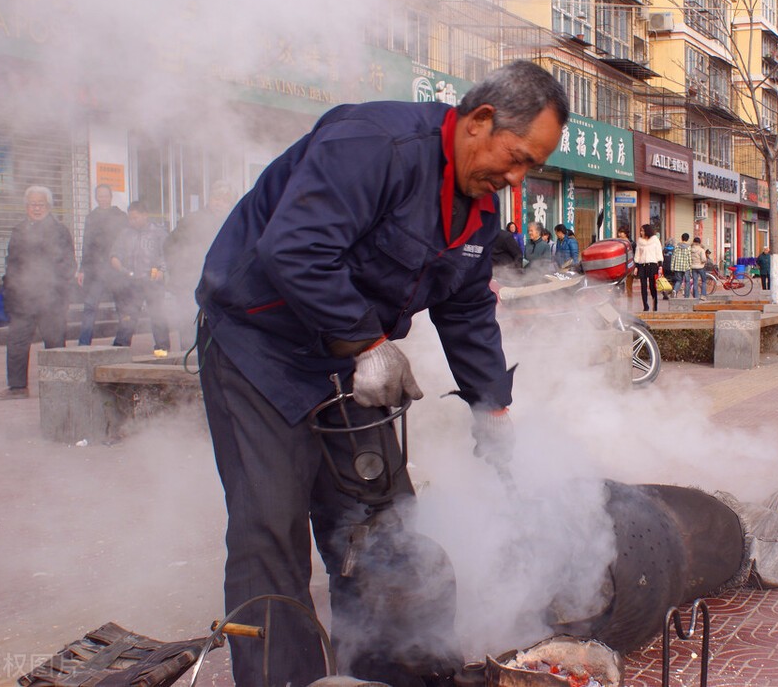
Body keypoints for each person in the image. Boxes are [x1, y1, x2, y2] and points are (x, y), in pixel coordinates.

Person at [194, 60, 568, 687]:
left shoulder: (477, 211)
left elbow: (469, 309)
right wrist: (368, 342)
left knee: (383, 527)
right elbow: (294, 249)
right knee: (271, 529)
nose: (517, 176)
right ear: (479, 121)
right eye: (518, 157)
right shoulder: (374, 144)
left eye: (530, 166)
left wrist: (493, 408)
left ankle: (388, 673)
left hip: (350, 361)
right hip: (260, 349)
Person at [0, 186, 75, 399]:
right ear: (26, 207)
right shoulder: (18, 230)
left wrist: (58, 291)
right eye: (33, 204)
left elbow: (68, 265)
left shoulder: (59, 231)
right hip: (23, 297)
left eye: (41, 204)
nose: (37, 208)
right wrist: (9, 290)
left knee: (55, 343)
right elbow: (11, 264)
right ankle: (17, 387)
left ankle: (59, 386)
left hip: (51, 298)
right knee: (16, 342)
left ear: (49, 207)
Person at [164, 181, 236, 351]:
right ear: (209, 199)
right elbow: (169, 245)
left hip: (220, 285)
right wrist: (177, 268)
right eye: (216, 199)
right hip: (189, 281)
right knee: (188, 324)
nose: (220, 204)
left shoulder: (233, 222)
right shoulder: (192, 220)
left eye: (225, 201)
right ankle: (188, 357)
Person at [110, 201, 171, 355]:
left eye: (135, 218)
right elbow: (115, 255)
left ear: (145, 215)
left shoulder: (158, 232)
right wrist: (123, 270)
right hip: (132, 282)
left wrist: (161, 271)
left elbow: (167, 255)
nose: (132, 221)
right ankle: (119, 351)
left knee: (157, 316)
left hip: (152, 282)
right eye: (130, 218)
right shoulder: (125, 233)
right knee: (128, 317)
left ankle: (162, 351)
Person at [75, 184, 127, 345]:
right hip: (97, 270)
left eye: (105, 195)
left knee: (122, 308)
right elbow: (87, 244)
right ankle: (83, 343)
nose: (103, 199)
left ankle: (122, 341)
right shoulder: (91, 217)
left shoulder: (120, 216)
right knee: (90, 305)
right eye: (100, 196)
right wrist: (82, 269)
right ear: (96, 198)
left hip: (116, 269)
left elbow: (126, 242)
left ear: (111, 197)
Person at [634, 223, 662, 312]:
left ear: (647, 231)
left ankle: (655, 304)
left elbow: (659, 252)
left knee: (652, 286)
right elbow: (637, 254)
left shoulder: (655, 240)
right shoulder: (640, 241)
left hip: (652, 265)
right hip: (642, 265)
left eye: (642, 230)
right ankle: (645, 306)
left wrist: (660, 265)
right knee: (643, 286)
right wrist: (636, 266)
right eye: (640, 231)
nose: (641, 232)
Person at [670, 232, 691, 297]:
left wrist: (672, 267)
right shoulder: (688, 247)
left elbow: (673, 257)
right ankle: (686, 296)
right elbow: (689, 258)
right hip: (686, 267)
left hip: (677, 266)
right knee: (687, 281)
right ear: (687, 239)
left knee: (679, 280)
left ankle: (675, 290)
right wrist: (690, 267)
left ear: (681, 238)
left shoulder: (676, 247)